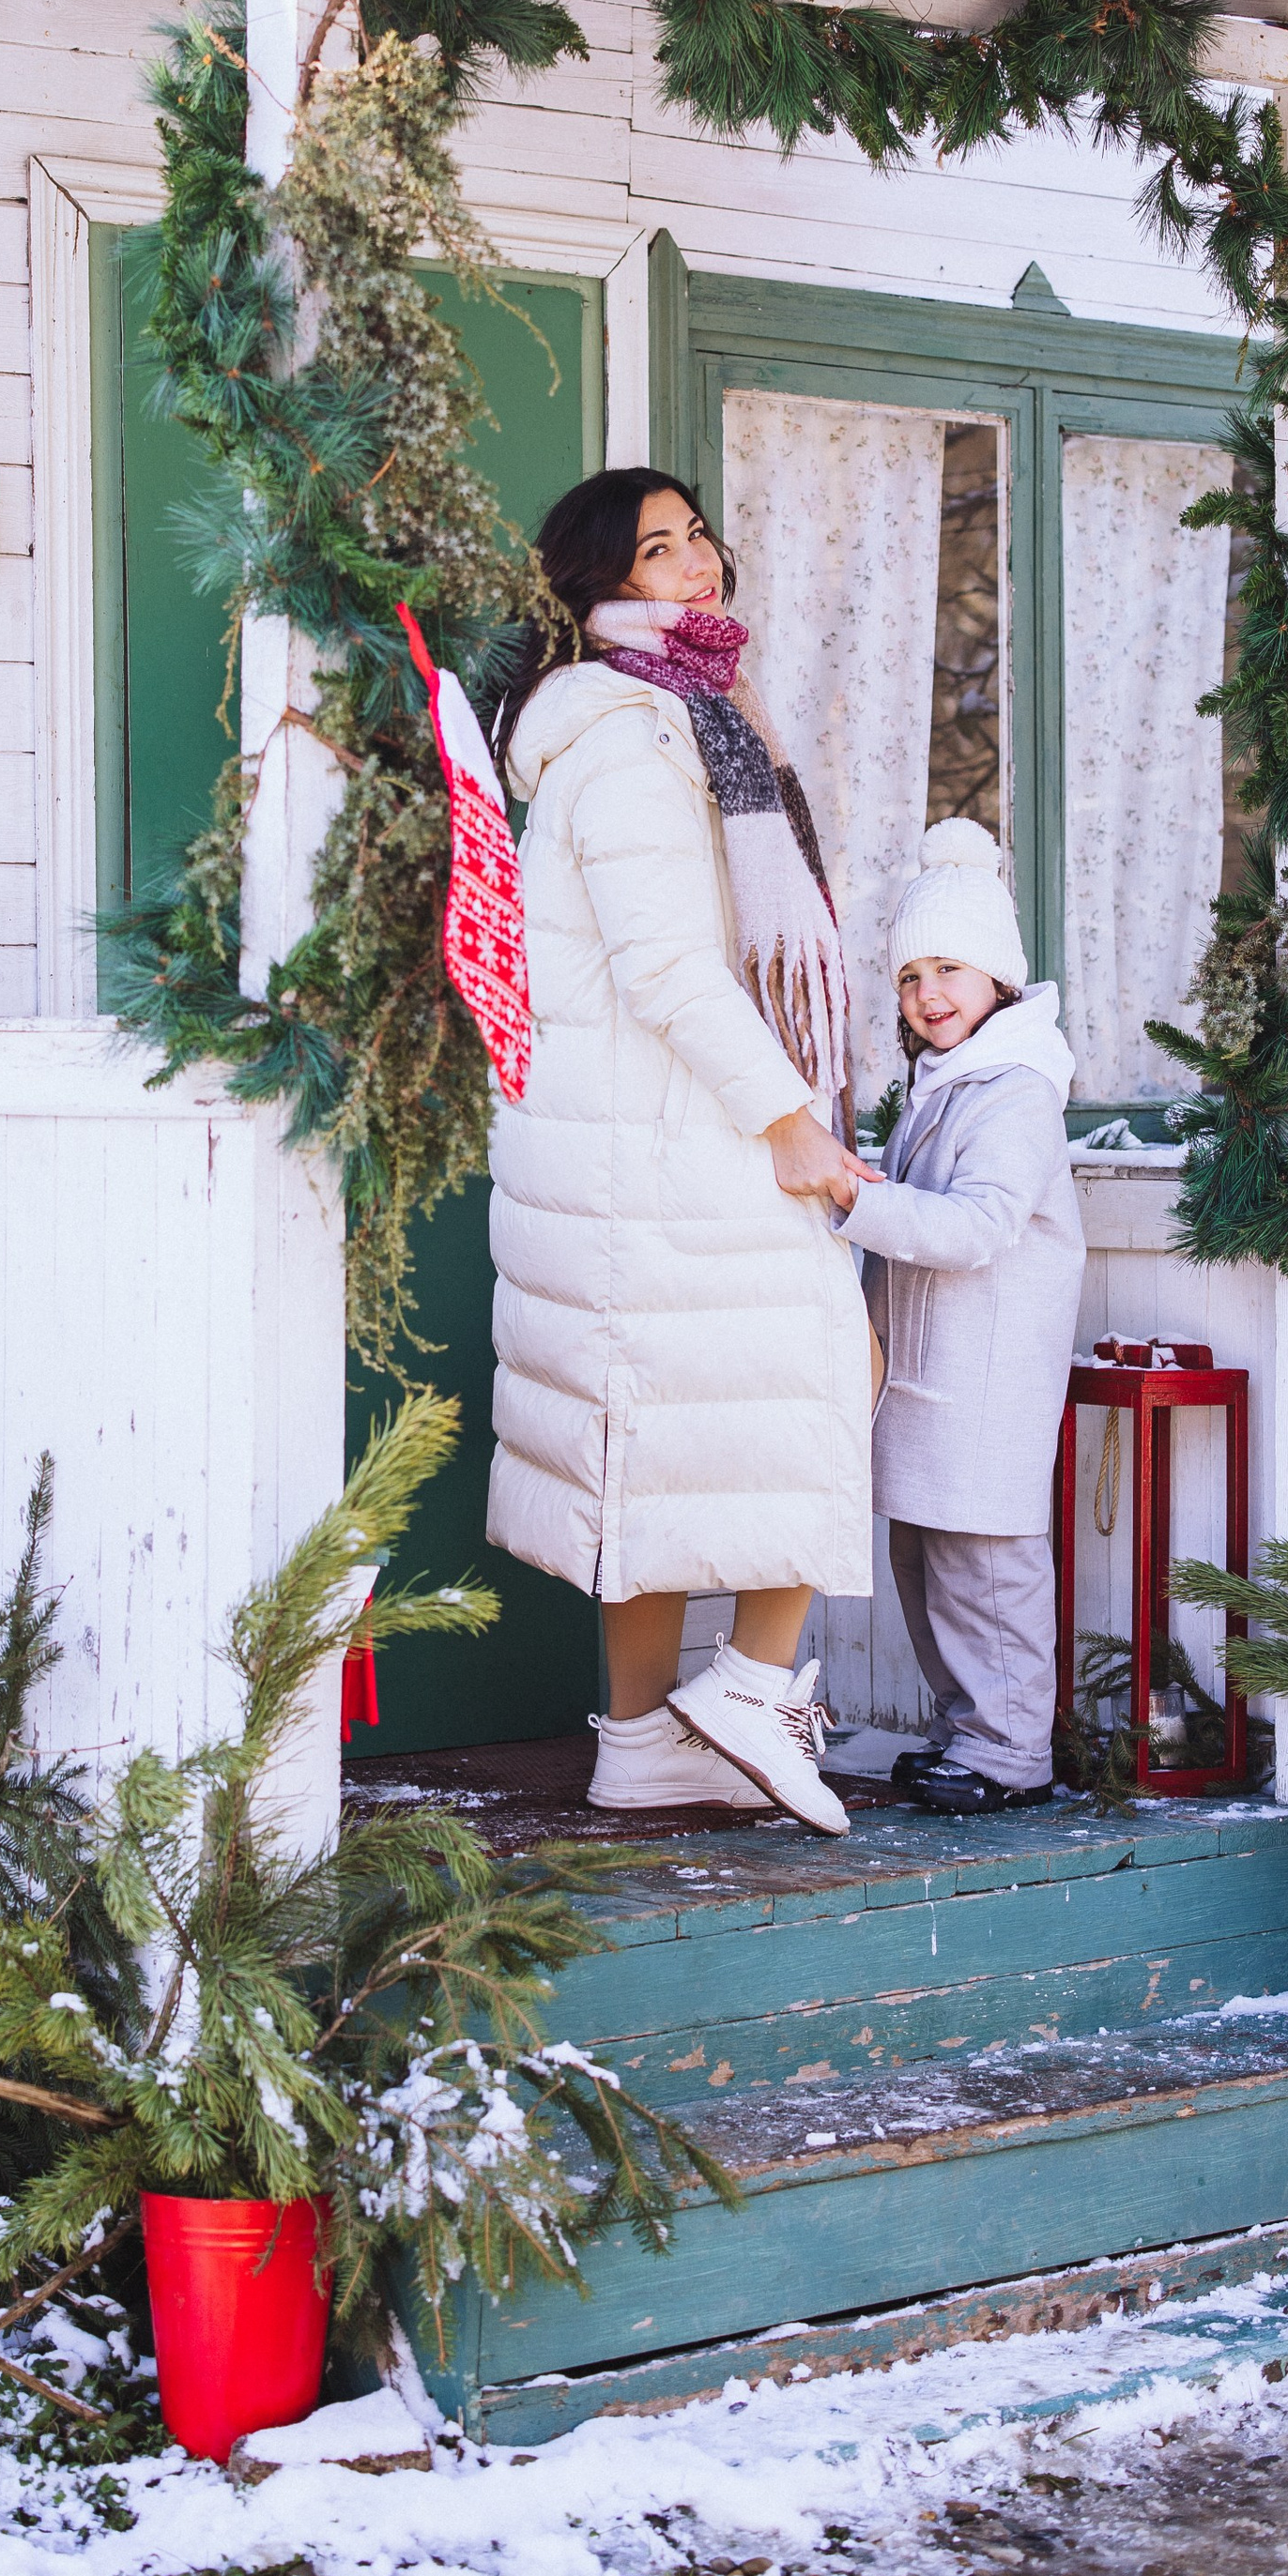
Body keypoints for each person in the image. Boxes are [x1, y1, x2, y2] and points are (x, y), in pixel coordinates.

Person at [483, 467, 875, 1837]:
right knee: (841, 1353)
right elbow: (666, 966)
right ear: (600, 589)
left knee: (637, 1443)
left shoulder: (689, 715)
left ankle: (643, 1742)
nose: (696, 560)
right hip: (663, 1137)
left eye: (697, 532)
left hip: (627, 1141)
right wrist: (792, 1120)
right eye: (658, 548)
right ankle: (756, 1686)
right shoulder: (634, 737)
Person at [835, 821, 1086, 1815]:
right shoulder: (943, 1080)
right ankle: (965, 1730)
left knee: (987, 1566)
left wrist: (857, 1203)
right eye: (909, 977)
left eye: (949, 969)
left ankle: (1012, 1750)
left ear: (997, 979)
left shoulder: (1016, 1088)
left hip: (986, 1371)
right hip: (933, 1368)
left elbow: (979, 1223)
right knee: (924, 1555)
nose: (928, 993)